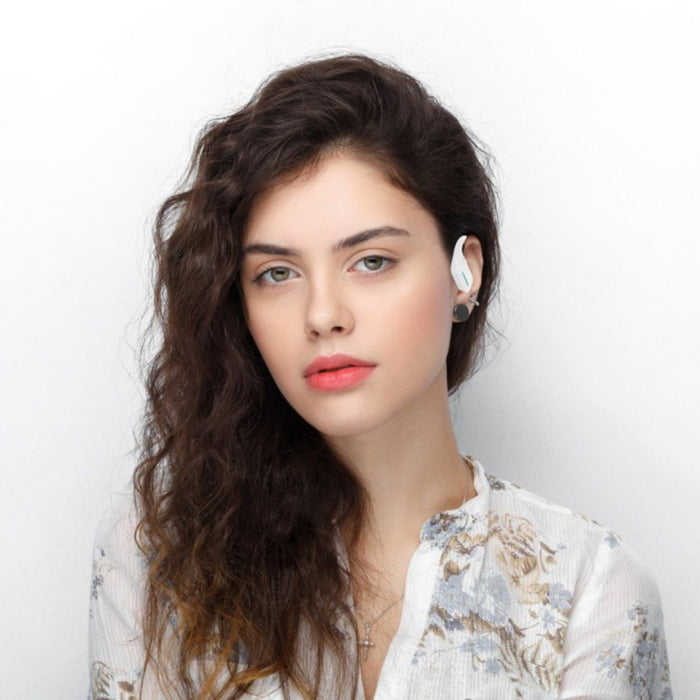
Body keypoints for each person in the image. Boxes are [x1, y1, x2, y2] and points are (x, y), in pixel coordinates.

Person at [88, 54, 671, 700]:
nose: (323, 315)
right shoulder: (161, 553)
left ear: (464, 272)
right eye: (277, 273)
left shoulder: (589, 586)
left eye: (371, 261)